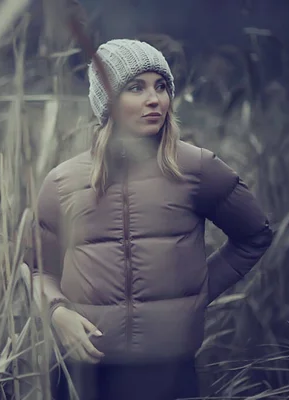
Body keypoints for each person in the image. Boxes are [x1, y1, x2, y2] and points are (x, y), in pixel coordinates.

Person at [23, 39, 274, 400]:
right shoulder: (63, 182)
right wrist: (58, 313)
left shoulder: (198, 168)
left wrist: (199, 291)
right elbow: (36, 270)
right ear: (107, 101)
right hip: (82, 373)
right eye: (135, 88)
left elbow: (254, 236)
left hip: (167, 373)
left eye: (161, 86)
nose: (154, 99)